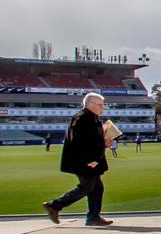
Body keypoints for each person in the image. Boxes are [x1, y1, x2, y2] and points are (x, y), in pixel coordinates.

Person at [42, 92, 113, 226]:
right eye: (100, 105)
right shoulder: (82, 118)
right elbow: (79, 142)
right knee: (87, 186)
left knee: (97, 187)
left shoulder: (93, 118)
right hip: (84, 161)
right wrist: (90, 159)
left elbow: (92, 140)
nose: (102, 107)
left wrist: (104, 143)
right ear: (90, 104)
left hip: (91, 160)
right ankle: (54, 205)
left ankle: (93, 217)